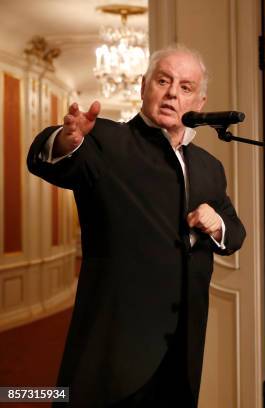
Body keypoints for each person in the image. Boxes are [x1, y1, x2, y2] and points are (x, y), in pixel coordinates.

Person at [27, 45, 246, 407]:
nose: (173, 92)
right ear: (144, 86)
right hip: (117, 345)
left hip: (183, 345)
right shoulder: (105, 140)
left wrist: (217, 222)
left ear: (200, 101)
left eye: (186, 87)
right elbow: (49, 159)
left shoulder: (209, 167)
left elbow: (235, 232)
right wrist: (67, 140)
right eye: (164, 80)